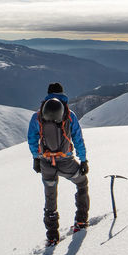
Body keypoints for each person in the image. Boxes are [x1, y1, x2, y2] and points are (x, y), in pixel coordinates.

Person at [27, 81, 89, 245]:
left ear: (47, 94)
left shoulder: (38, 115)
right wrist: (83, 160)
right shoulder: (69, 114)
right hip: (66, 161)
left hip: (46, 162)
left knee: (50, 197)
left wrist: (36, 158)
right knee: (82, 183)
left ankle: (52, 235)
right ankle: (81, 221)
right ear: (62, 94)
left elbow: (32, 139)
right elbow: (78, 138)